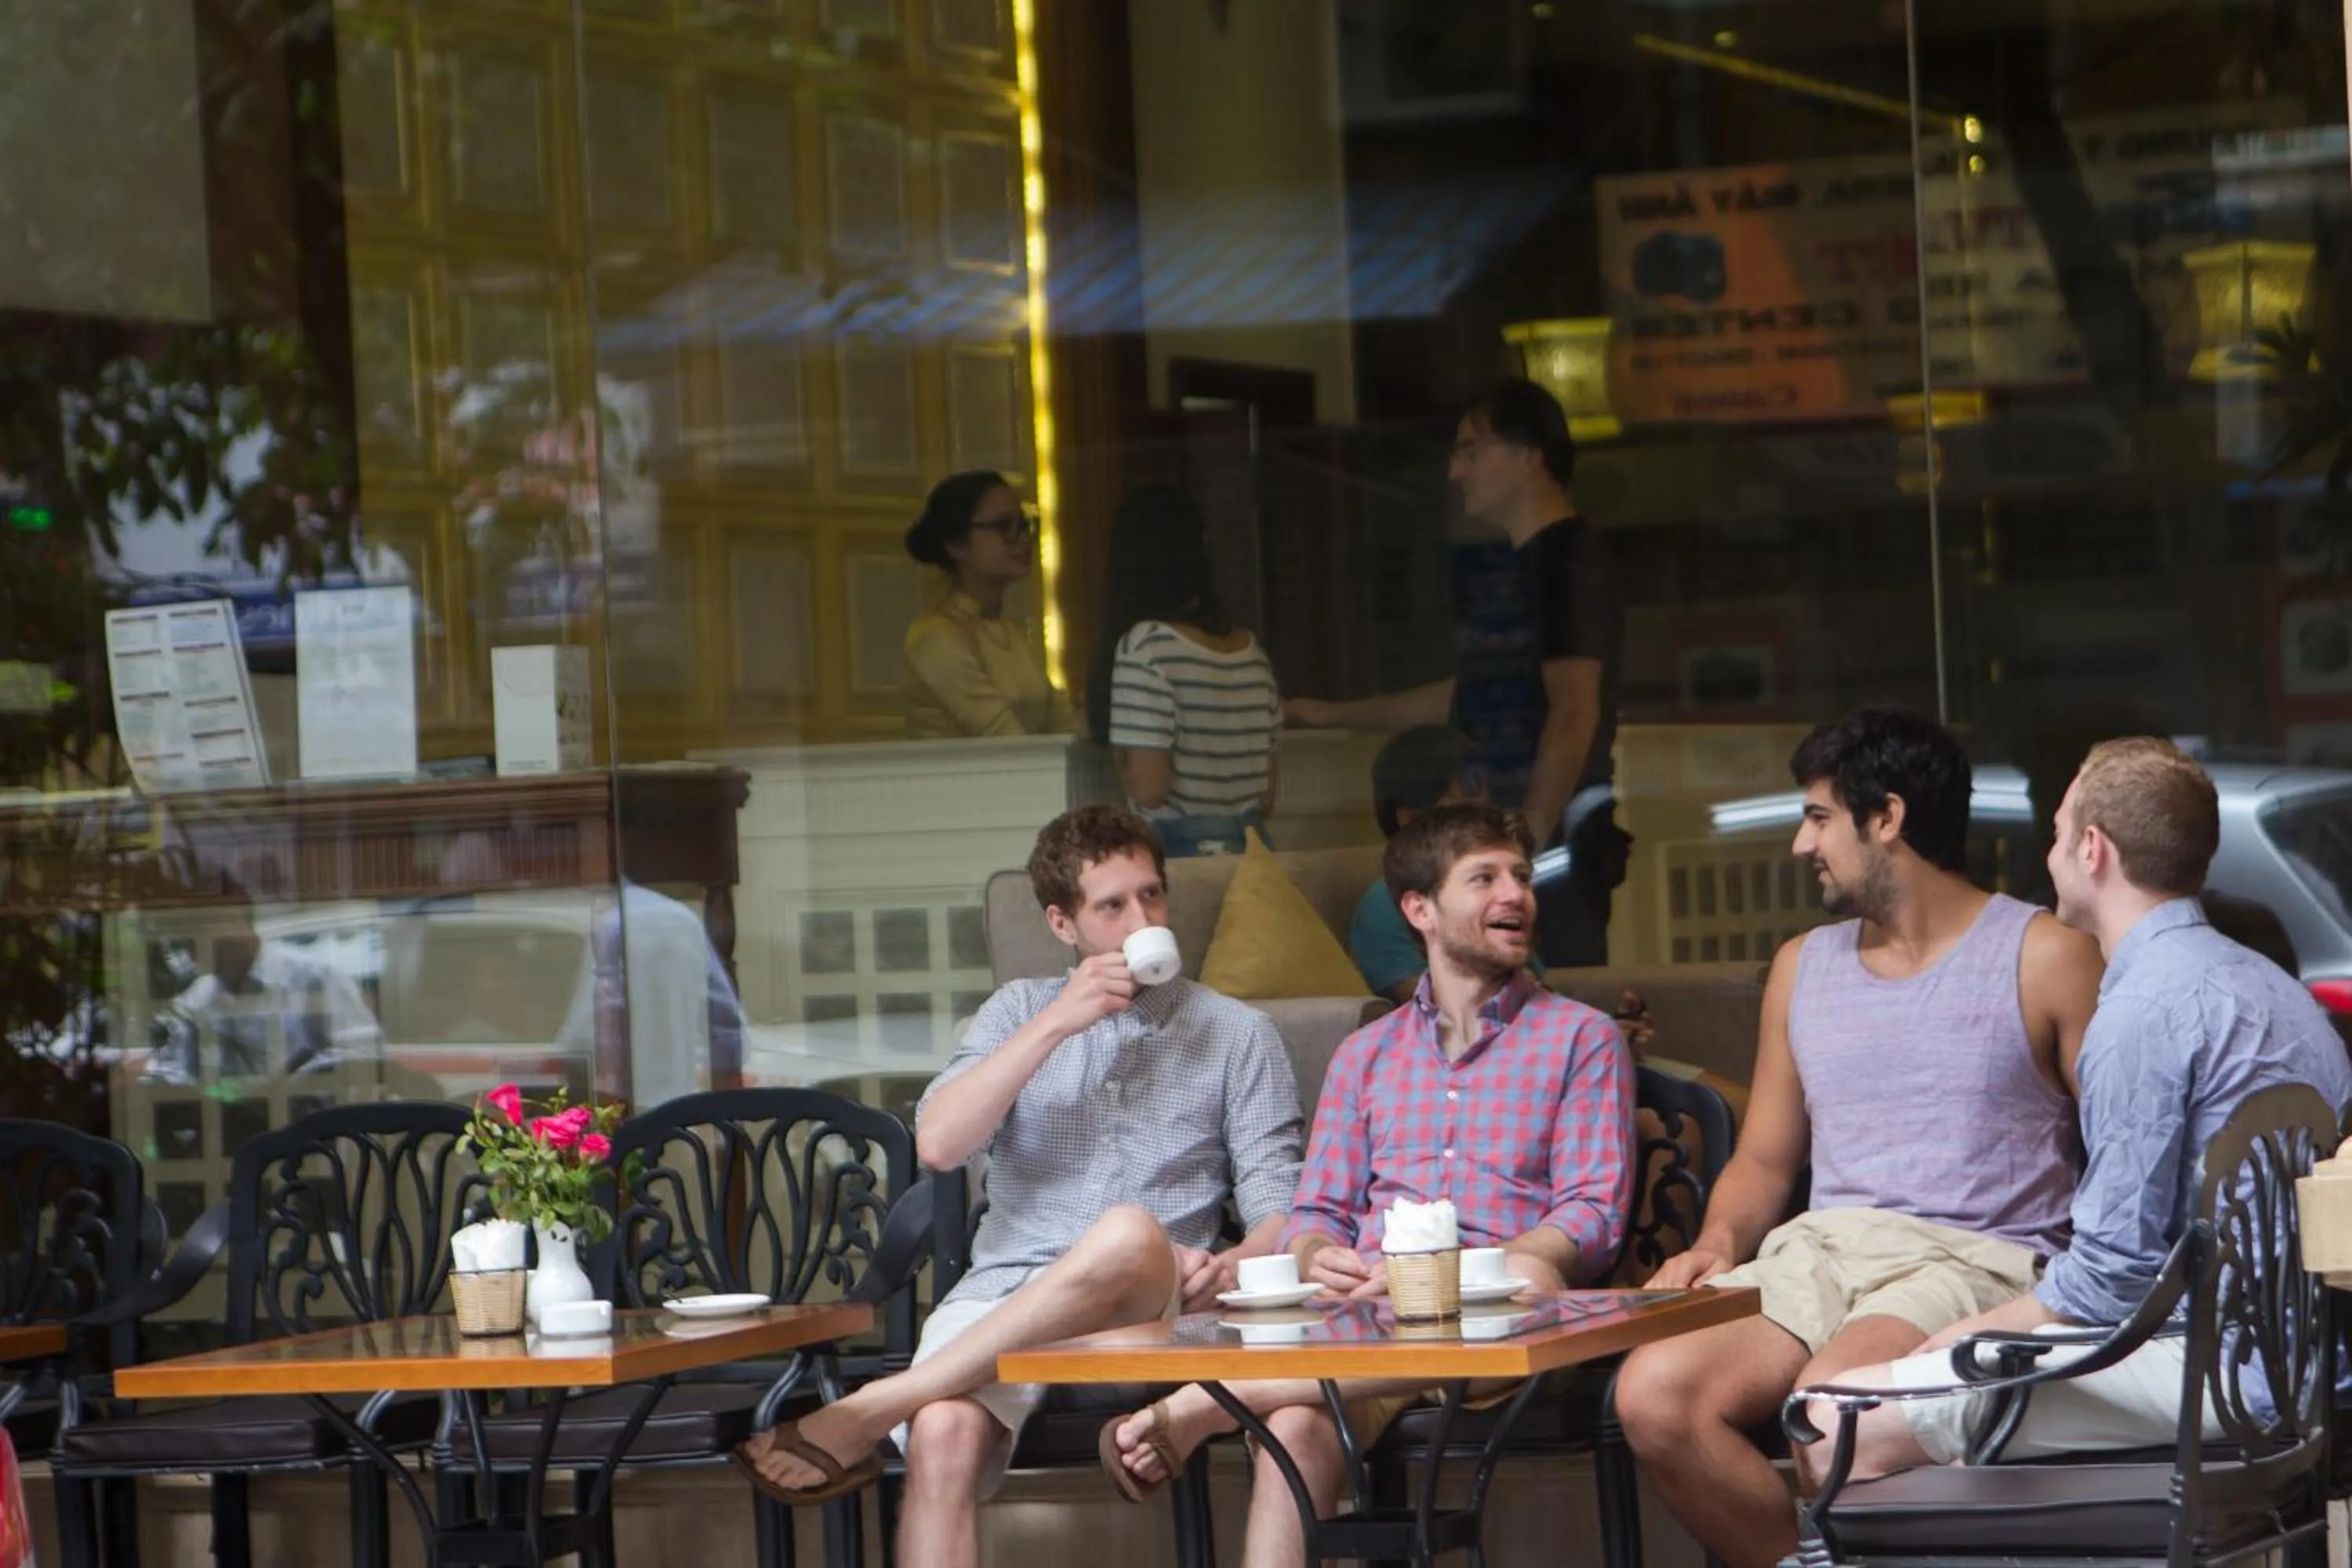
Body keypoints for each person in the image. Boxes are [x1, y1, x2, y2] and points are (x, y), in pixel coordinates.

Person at [735, 805, 1303, 1568]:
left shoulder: (1237, 1032)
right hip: (1004, 1296)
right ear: (1063, 922)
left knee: (1130, 1231)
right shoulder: (1017, 1012)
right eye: (1113, 905)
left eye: (1152, 896)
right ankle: (913, 1404)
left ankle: (873, 1406)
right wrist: (1056, 1024)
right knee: (941, 1430)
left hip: (1155, 1306)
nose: (1142, 919)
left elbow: (1281, 1216)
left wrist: (1227, 1265)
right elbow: (938, 1143)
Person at [1609, 706, 2104, 1568]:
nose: (1802, 844)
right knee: (1652, 1393)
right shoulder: (1803, 965)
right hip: (1821, 1251)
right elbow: (1765, 1157)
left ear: (1888, 816)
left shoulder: (2046, 954)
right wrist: (1719, 1241)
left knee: (1827, 1409)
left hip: (1970, 1256)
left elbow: (2124, 1145)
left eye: (1818, 816)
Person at [1099, 802, 1635, 1568]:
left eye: (1519, 874)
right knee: (1295, 1428)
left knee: (1527, 1274)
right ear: (1420, 908)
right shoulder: (1367, 1053)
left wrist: (1445, 1276)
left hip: (1499, 1320)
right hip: (1365, 1321)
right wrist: (1320, 1253)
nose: (1515, 893)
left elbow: (1592, 1214)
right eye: (1483, 877)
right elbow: (1316, 1211)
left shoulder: (1581, 1036)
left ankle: (1200, 1403)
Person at [1802, 738, 2352, 1477]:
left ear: (2093, 849)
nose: (2051, 854)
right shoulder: (2283, 996)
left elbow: (2109, 1277)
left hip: (2206, 1373)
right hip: (2305, 1366)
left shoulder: (2138, 1013)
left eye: (2059, 834)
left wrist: (1962, 1335)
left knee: (1832, 1416)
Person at [1287, 378, 1626, 965]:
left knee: (1550, 1001)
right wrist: (1330, 713)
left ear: (1528, 454)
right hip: (1502, 833)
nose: (1455, 471)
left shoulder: (1568, 560)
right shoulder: (1515, 568)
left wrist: (1527, 847)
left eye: (1471, 449)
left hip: (1546, 836)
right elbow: (1465, 693)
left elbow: (1574, 709)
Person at [1091, 484, 1280, 858]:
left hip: (1182, 850)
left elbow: (1150, 788)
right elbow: (1269, 796)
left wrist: (1121, 754)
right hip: (1256, 850)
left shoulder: (1145, 646)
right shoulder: (1251, 651)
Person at [147, 885, 384, 1086]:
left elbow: (362, 1056)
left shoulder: (314, 978)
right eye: (184, 933)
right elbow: (173, 1070)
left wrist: (294, 1085)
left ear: (235, 920)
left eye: (198, 928)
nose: (190, 945)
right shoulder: (197, 998)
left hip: (314, 1129)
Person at [902, 470, 1079, 739]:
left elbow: (1062, 722)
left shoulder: (1012, 632)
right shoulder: (936, 637)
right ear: (956, 545)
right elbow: (1003, 739)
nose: (1023, 539)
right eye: (1004, 526)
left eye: (1024, 525)